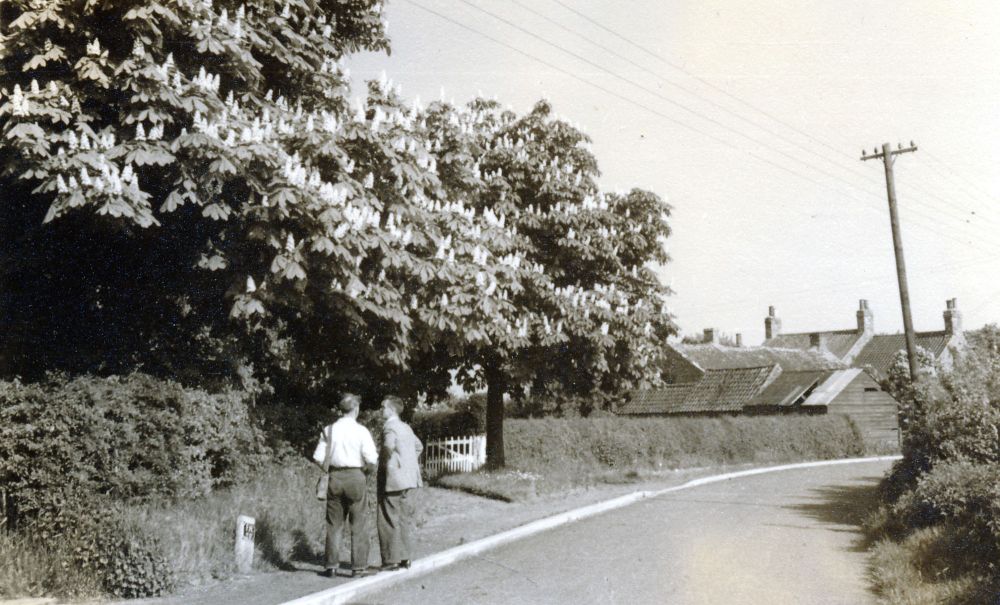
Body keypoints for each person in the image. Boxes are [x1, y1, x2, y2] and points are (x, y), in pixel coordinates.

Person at [312, 393, 378, 578]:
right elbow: (372, 459)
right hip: (356, 476)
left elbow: (317, 457)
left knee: (334, 523)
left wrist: (329, 469)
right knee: (359, 523)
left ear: (341, 410)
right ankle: (358, 567)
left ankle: (331, 565)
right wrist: (365, 472)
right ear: (356, 409)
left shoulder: (329, 430)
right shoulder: (362, 431)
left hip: (334, 477)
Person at [376, 395, 423, 571]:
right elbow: (419, 447)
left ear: (392, 410)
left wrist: (389, 464)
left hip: (393, 478)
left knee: (388, 517)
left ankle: (391, 560)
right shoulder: (406, 427)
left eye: (383, 407)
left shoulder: (389, 427)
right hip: (408, 479)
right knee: (403, 518)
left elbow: (388, 447)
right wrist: (406, 463)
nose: (381, 410)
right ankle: (405, 557)